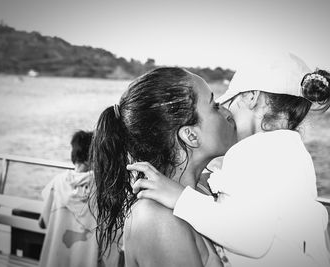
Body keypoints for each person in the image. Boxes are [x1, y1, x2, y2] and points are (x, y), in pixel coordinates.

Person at [130, 52, 330, 267]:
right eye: (215, 107)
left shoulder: (255, 151)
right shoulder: (291, 152)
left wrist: (180, 198)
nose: (226, 114)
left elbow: (251, 238)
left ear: (251, 96)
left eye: (227, 103)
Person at [90, 67, 237, 267]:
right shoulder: (157, 218)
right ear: (191, 136)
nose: (228, 113)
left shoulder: (205, 189)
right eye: (215, 106)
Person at [38, 130, 104, 267]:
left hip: (56, 260)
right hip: (86, 260)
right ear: (94, 155)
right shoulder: (100, 187)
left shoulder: (57, 182)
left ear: (74, 154)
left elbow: (43, 222)